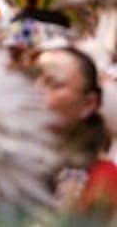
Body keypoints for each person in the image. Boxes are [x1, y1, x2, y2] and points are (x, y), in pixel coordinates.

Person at [36, 47, 117, 214]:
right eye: (31, 78)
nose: (35, 90)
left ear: (88, 104)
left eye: (53, 84)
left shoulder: (103, 180)